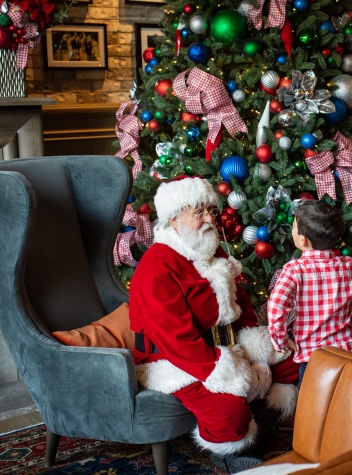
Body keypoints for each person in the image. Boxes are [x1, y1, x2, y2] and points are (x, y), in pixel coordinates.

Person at [129, 176, 298, 473]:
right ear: (173, 218)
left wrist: (258, 360)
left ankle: (256, 427)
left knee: (294, 363)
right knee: (228, 410)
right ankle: (227, 454)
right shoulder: (157, 265)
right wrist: (234, 375)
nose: (209, 219)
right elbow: (175, 340)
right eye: (198, 213)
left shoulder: (212, 250)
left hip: (225, 344)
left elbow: (241, 307)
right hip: (176, 359)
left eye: (210, 210)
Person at [268, 200, 352, 385]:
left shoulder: (294, 270)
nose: (292, 230)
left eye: (294, 226)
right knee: (345, 401)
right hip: (347, 353)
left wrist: (281, 341)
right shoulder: (350, 265)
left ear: (303, 240)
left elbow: (276, 307)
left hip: (313, 358)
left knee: (312, 407)